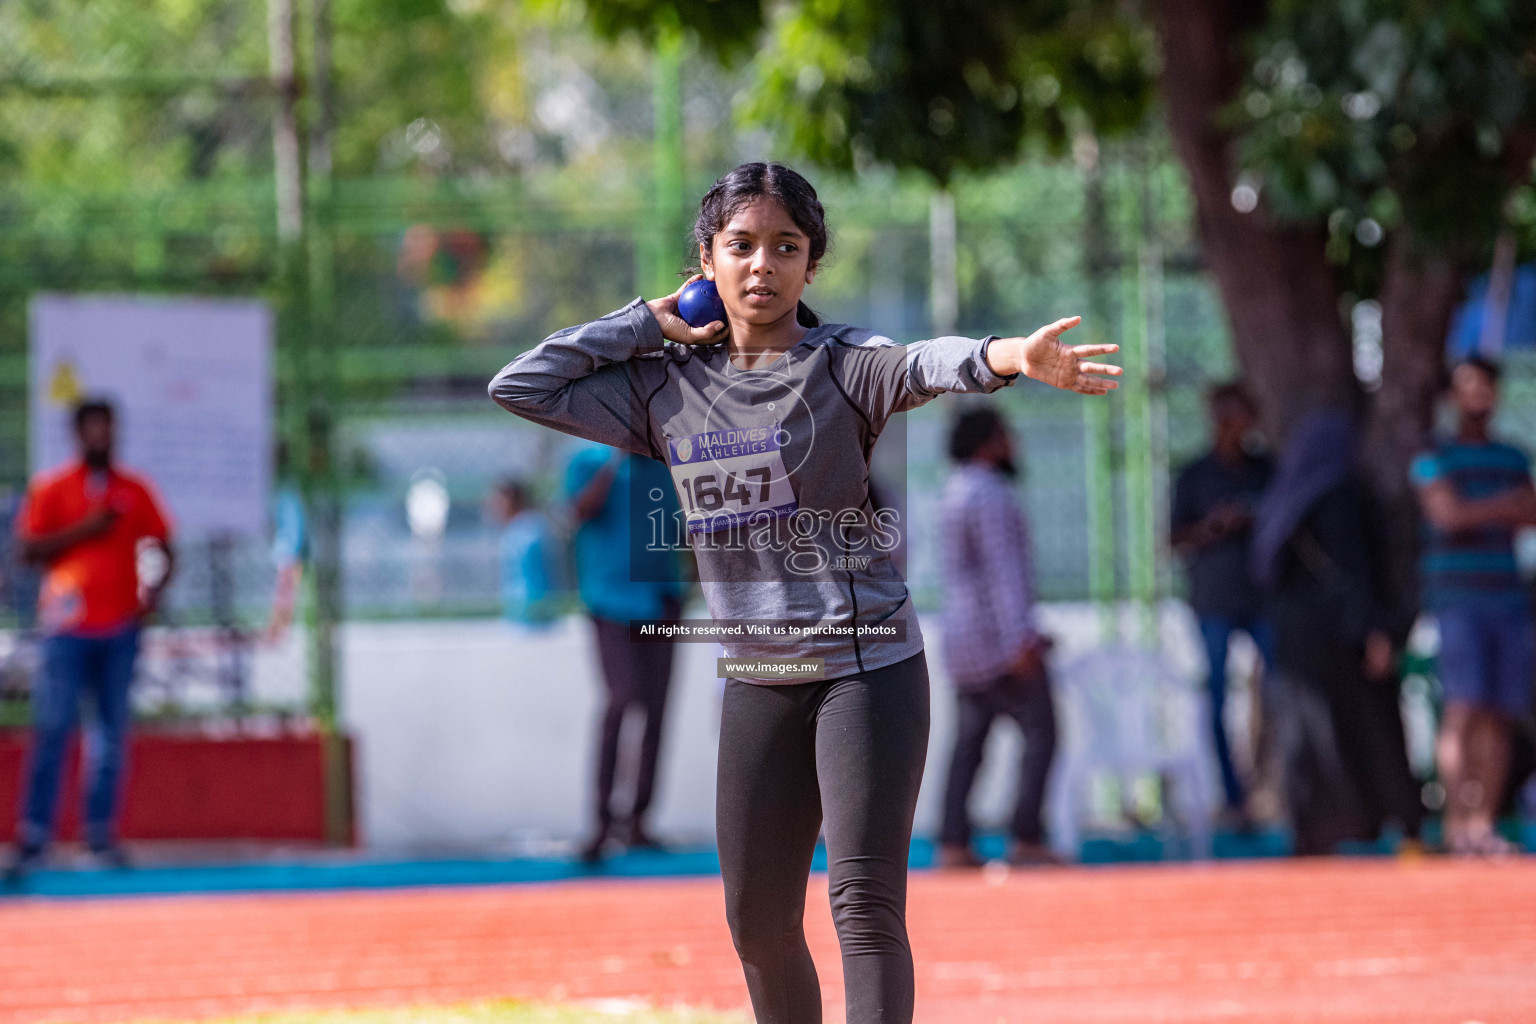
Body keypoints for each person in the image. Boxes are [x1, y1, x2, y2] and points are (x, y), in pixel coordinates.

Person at [489, 162, 1119, 1024]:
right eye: (740, 246)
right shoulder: (662, 388)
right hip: (756, 678)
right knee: (756, 922)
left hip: (865, 669)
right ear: (705, 260)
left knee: (863, 907)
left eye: (786, 247)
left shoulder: (844, 364)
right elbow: (520, 384)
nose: (762, 266)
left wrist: (1009, 355)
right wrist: (645, 322)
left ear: (810, 264)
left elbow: (921, 364)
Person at [6, 399, 175, 879]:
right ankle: (35, 836)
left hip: (119, 628)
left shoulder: (134, 489)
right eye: (91, 429)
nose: (100, 436)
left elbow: (164, 545)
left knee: (110, 737)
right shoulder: (53, 488)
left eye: (108, 428)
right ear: (77, 434)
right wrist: (86, 528)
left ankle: (100, 837)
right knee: (54, 728)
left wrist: (151, 594)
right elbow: (27, 550)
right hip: (65, 630)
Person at [1252, 410, 1422, 857]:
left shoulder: (1286, 500)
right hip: (1345, 637)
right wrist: (1373, 631)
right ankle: (1397, 825)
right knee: (1372, 730)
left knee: (1308, 736)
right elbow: (1352, 572)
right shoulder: (1342, 497)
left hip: (1297, 642)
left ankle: (1315, 830)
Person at [1411, 357, 1536, 856]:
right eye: (1468, 388)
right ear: (1450, 397)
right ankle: (1456, 823)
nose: (1478, 396)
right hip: (1456, 600)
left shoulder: (1512, 456)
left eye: (1487, 387)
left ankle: (1483, 823)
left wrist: (1477, 510)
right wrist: (1502, 507)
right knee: (1463, 708)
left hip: (1506, 599)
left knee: (1500, 712)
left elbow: (1528, 513)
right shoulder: (1431, 454)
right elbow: (1445, 514)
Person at [935, 407, 1060, 869]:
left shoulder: (953, 490)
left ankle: (953, 842)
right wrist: (1020, 641)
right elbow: (1003, 572)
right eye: (1007, 435)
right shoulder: (991, 494)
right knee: (1043, 732)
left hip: (962, 641)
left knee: (969, 744)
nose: (1014, 444)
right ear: (989, 441)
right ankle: (1026, 836)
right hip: (996, 642)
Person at [563, 446, 685, 860]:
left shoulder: (665, 461)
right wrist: (616, 459)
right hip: (611, 600)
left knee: (656, 707)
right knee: (621, 698)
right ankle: (600, 822)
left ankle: (638, 822)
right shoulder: (589, 461)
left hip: (662, 597)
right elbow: (577, 513)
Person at [1170, 382, 1275, 826]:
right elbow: (1174, 538)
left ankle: (1272, 788)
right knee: (1216, 702)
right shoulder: (1195, 475)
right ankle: (1234, 799)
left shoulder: (1265, 471)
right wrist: (1213, 527)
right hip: (1214, 601)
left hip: (1262, 598)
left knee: (1281, 693)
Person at [489, 477, 561, 628]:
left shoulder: (529, 530)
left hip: (533, 619)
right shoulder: (517, 529)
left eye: (500, 500)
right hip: (522, 615)